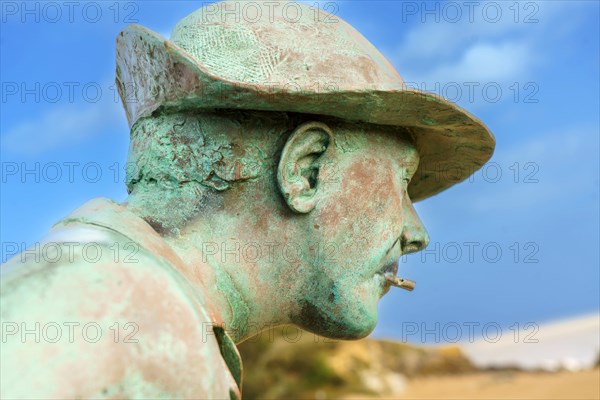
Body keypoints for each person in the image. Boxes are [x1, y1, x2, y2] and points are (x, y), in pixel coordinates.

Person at [0, 1, 495, 398]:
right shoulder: (111, 316)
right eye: (402, 182)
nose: (417, 233)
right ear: (306, 169)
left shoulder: (139, 311)